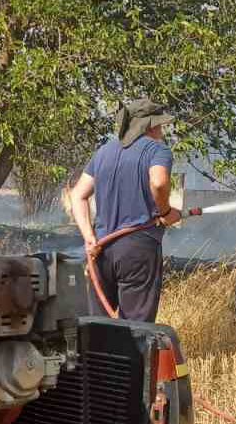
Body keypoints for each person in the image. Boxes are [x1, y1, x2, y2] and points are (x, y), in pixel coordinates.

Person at [70, 98, 181, 322]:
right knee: (136, 327)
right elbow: (158, 183)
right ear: (151, 126)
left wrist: (89, 238)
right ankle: (133, 357)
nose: (162, 130)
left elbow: (77, 195)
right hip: (137, 250)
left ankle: (98, 357)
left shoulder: (103, 151)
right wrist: (166, 212)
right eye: (160, 125)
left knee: (98, 325)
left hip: (101, 249)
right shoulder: (158, 150)